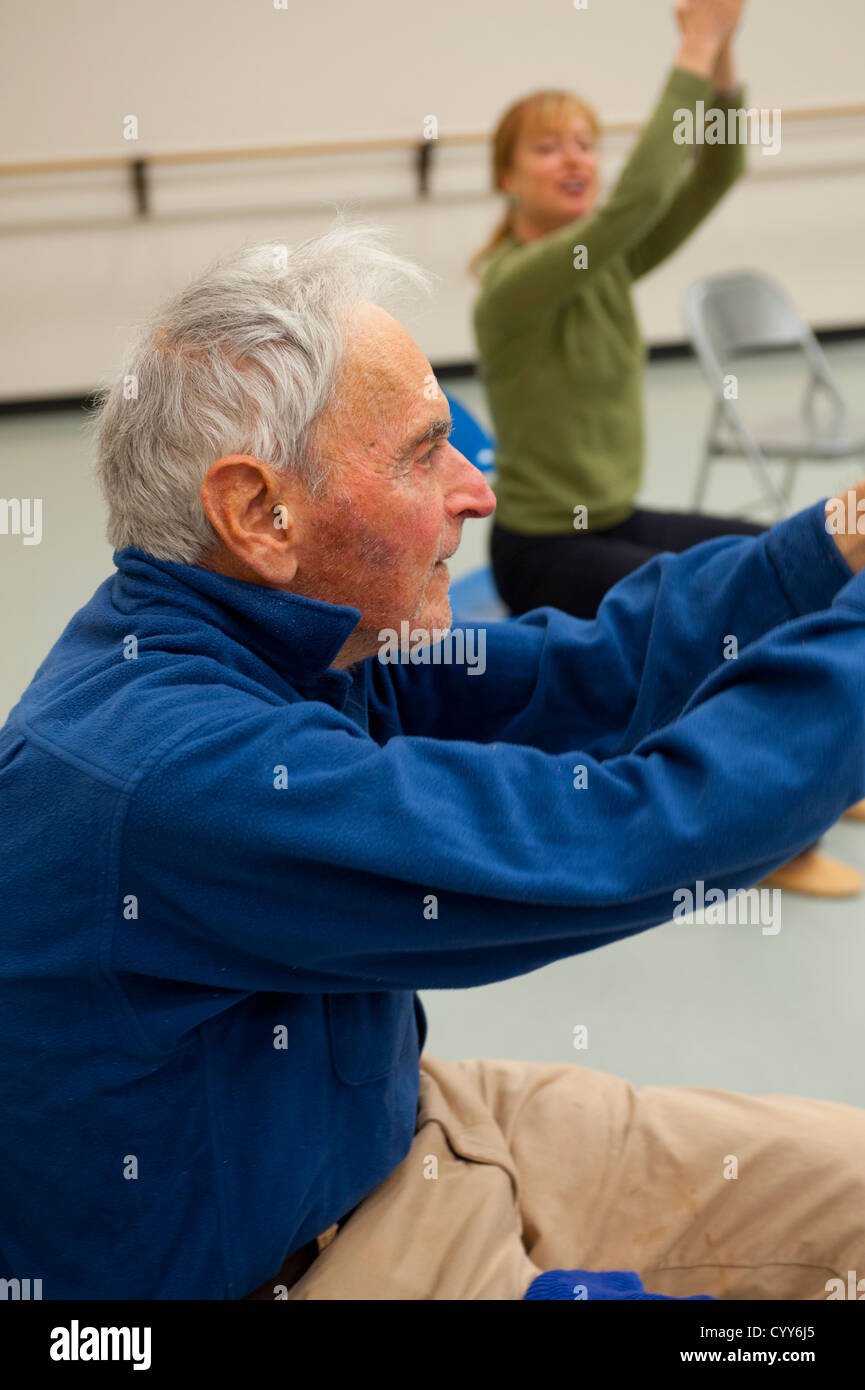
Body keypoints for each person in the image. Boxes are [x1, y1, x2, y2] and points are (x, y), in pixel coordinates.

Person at [2, 226, 865, 1301]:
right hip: (305, 1267)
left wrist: (842, 535)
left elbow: (592, 672)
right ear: (258, 511)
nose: (477, 489)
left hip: (403, 1130)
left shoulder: (305, 637)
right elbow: (626, 836)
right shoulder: (176, 770)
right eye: (424, 453)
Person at [471, 0, 864, 896]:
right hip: (544, 549)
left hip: (614, 517)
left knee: (799, 558)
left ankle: (826, 768)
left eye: (583, 141)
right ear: (504, 178)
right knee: (729, 619)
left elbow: (711, 171)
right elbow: (640, 198)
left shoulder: (596, 267)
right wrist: (688, 41)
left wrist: (719, 52)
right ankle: (769, 839)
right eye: (546, 146)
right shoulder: (515, 286)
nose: (574, 158)